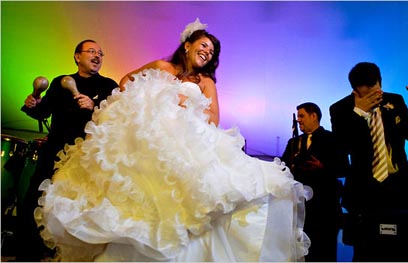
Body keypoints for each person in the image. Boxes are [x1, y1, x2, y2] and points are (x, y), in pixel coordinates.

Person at [34, 18, 311, 262]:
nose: (207, 52)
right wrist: (155, 100)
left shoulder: (206, 82)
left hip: (187, 144)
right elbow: (126, 82)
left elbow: (213, 118)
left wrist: (183, 107)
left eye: (212, 51)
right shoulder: (161, 66)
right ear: (188, 45)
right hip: (152, 143)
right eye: (203, 46)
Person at [16, 39, 118, 261]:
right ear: (77, 56)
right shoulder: (58, 82)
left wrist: (95, 108)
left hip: (86, 155)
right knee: (35, 199)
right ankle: (27, 254)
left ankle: (62, 255)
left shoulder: (109, 86)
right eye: (91, 51)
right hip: (54, 150)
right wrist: (33, 103)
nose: (97, 55)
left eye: (100, 52)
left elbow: (116, 122)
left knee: (74, 206)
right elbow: (43, 113)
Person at [329, 62, 408, 261]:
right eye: (366, 94)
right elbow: (342, 148)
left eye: (376, 91)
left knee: (405, 249)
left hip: (400, 188)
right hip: (365, 192)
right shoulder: (340, 108)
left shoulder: (395, 100)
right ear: (355, 91)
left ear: (380, 84)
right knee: (366, 251)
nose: (374, 98)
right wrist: (359, 113)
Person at [281, 102, 348, 262]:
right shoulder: (293, 143)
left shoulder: (332, 139)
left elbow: (344, 167)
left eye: (302, 116)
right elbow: (282, 168)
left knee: (324, 252)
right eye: (297, 117)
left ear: (314, 116)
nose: (299, 120)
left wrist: (323, 167)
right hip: (300, 211)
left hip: (325, 210)